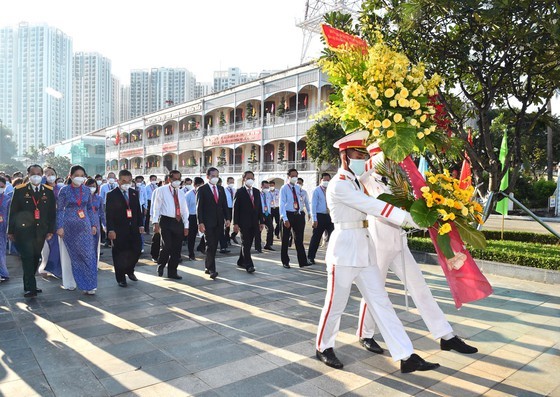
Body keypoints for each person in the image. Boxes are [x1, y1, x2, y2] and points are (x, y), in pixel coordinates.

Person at [315, 130, 439, 373]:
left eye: (364, 154)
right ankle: (323, 346)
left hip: (365, 249)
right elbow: (374, 206)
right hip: (344, 251)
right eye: (357, 154)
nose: (363, 159)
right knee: (335, 304)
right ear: (344, 157)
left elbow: (379, 164)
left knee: (382, 302)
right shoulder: (340, 186)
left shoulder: (355, 182)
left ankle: (405, 355)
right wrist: (412, 219)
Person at [355, 142, 478, 355]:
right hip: (379, 237)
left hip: (399, 238)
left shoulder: (398, 169)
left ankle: (445, 335)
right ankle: (365, 333)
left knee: (420, 287)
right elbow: (369, 184)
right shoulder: (371, 167)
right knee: (375, 287)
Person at [7, 164, 56, 297]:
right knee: (27, 257)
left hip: (41, 231)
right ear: (28, 175)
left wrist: (51, 230)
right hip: (23, 231)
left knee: (35, 257)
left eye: (39, 173)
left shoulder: (48, 191)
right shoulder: (20, 190)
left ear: (42, 175)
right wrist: (10, 231)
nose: (36, 176)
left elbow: (52, 213)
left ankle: (29, 283)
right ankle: (31, 287)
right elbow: (13, 212)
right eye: (33, 173)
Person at [57, 165, 98, 294]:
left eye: (82, 175)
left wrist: (93, 225)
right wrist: (59, 226)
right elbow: (59, 210)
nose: (79, 178)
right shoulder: (64, 190)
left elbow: (90, 208)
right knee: (70, 256)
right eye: (76, 175)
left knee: (88, 254)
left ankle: (89, 285)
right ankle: (70, 282)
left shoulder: (86, 190)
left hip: (84, 225)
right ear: (70, 176)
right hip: (68, 226)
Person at [106, 170, 144, 287]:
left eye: (129, 181)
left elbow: (138, 210)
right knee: (119, 254)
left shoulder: (134, 193)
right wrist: (110, 230)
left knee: (136, 250)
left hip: (133, 228)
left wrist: (140, 224)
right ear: (118, 181)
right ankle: (121, 278)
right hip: (119, 230)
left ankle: (130, 269)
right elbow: (109, 214)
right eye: (123, 181)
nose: (126, 183)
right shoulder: (112, 194)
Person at [151, 170, 189, 280]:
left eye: (179, 179)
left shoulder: (181, 192)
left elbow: (184, 210)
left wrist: (186, 225)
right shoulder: (161, 190)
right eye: (175, 179)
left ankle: (173, 271)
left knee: (177, 249)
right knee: (167, 245)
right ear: (169, 179)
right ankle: (161, 264)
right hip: (166, 221)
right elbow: (156, 207)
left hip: (178, 221)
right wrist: (155, 222)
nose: (177, 181)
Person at [196, 167, 230, 280]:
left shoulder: (221, 189)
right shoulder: (202, 189)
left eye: (217, 176)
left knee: (214, 245)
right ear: (208, 177)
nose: (215, 178)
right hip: (207, 222)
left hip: (219, 222)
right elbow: (199, 208)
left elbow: (224, 205)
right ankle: (212, 269)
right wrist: (200, 222)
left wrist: (228, 218)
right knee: (210, 245)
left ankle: (207, 265)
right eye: (213, 176)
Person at [233, 171, 265, 273]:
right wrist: (236, 223)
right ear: (244, 179)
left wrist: (261, 221)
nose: (250, 180)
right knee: (246, 243)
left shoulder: (256, 191)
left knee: (248, 243)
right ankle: (249, 265)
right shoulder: (240, 192)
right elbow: (236, 208)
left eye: (252, 178)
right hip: (244, 222)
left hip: (254, 222)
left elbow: (259, 207)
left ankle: (241, 261)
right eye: (248, 178)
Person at [279, 169, 311, 269]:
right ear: (288, 176)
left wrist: (307, 212)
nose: (295, 178)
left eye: (296, 176)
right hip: (288, 215)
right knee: (285, 239)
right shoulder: (284, 188)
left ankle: (302, 261)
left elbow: (302, 200)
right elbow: (282, 204)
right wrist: (285, 218)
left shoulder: (298, 188)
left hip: (298, 214)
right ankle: (285, 261)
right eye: (293, 176)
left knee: (299, 239)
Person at [37, 166, 63, 279]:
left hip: (59, 219)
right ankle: (46, 267)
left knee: (58, 246)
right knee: (48, 246)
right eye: (47, 174)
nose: (50, 176)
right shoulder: (42, 190)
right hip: (46, 221)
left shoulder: (61, 189)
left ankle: (55, 268)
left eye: (52, 173)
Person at [307, 173, 334, 265]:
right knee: (316, 237)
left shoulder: (331, 190)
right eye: (325, 180)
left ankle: (332, 257)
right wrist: (314, 219)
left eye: (328, 180)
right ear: (321, 180)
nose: (326, 182)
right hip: (319, 216)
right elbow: (313, 205)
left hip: (330, 216)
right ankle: (311, 257)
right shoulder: (317, 190)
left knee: (333, 237)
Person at [85, 178, 105, 269]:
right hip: (85, 222)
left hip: (96, 223)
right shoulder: (82, 198)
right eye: (89, 186)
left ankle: (94, 264)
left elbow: (102, 212)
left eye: (93, 186)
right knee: (86, 244)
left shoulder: (99, 198)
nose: (91, 188)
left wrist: (104, 225)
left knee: (95, 244)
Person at [185, 177, 204, 261]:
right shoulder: (188, 194)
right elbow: (185, 208)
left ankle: (201, 247)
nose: (201, 187)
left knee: (204, 234)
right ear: (195, 185)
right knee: (191, 236)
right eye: (199, 185)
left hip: (201, 216)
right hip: (191, 216)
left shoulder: (204, 193)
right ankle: (191, 253)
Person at [254, 180, 274, 252]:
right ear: (261, 186)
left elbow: (270, 203)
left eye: (267, 187)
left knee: (271, 229)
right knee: (259, 230)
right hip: (260, 214)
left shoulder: (269, 194)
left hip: (267, 213)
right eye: (265, 187)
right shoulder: (258, 194)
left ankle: (268, 244)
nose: (266, 188)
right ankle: (258, 247)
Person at [100, 172, 118, 247]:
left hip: (117, 205)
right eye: (110, 177)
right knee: (107, 222)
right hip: (106, 205)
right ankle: (107, 240)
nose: (111, 179)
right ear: (107, 178)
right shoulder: (103, 187)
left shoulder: (117, 186)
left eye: (113, 177)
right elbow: (101, 197)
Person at [0, 176, 12, 281]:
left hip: (3, 227)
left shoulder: (8, 199)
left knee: (1, 250)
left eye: (2, 186)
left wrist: (10, 229)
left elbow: (10, 215)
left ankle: (3, 273)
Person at [224, 177, 238, 245]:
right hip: (227, 208)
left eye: (233, 182)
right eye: (230, 182)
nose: (232, 183)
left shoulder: (234, 190)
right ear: (227, 182)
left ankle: (233, 235)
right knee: (227, 225)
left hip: (234, 208)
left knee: (237, 223)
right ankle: (227, 239)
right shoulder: (224, 190)